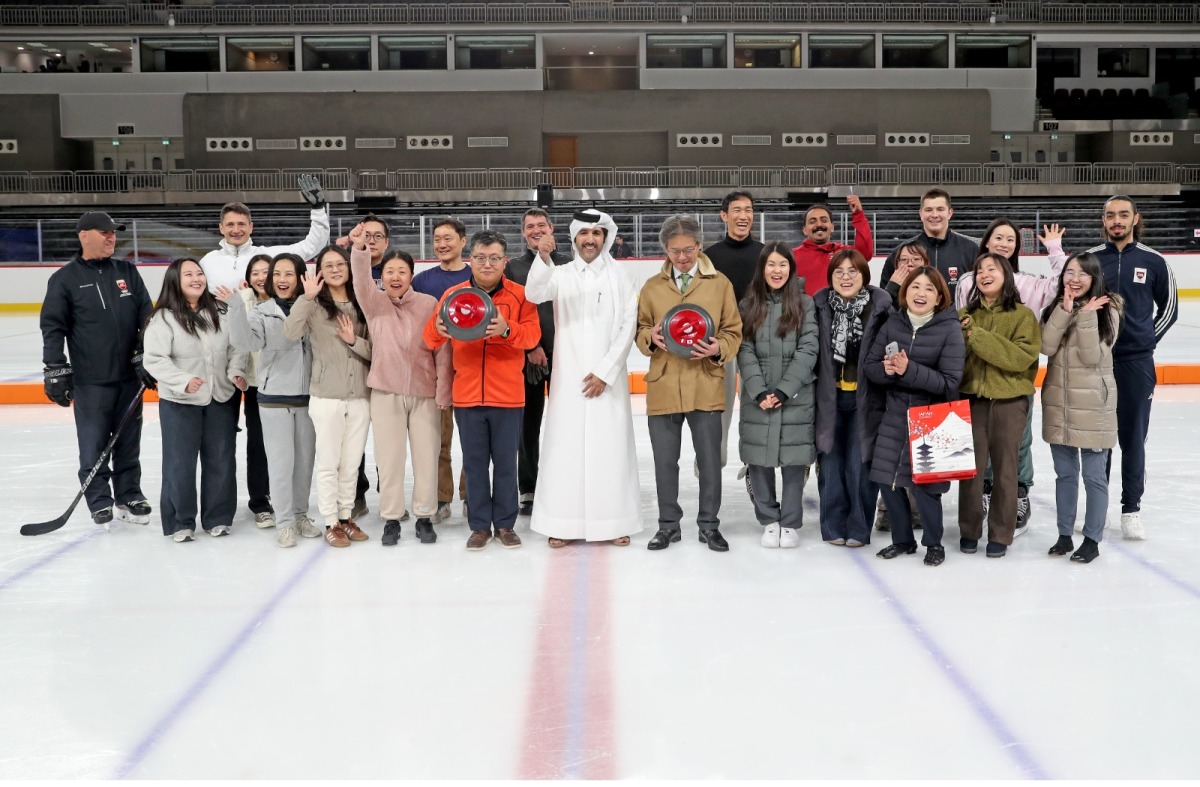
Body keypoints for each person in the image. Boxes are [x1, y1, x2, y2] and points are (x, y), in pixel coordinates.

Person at [524, 208, 642, 547]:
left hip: (608, 381)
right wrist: (542, 257)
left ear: (605, 237)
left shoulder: (621, 276)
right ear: (574, 238)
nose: (590, 240)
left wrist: (606, 372)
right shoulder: (560, 274)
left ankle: (614, 522)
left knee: (611, 450)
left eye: (596, 234)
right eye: (584, 234)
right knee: (565, 450)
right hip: (569, 380)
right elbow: (534, 293)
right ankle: (561, 523)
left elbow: (628, 326)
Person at [423, 230, 541, 550]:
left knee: (505, 465)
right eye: (480, 258)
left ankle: (504, 525)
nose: (487, 264)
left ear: (505, 261)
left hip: (509, 396)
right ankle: (478, 526)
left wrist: (506, 328)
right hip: (468, 395)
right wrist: (438, 329)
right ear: (470, 260)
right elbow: (429, 339)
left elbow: (532, 337)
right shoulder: (454, 295)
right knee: (474, 465)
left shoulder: (521, 295)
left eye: (494, 258)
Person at [40, 211, 155, 528]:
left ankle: (129, 494)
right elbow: (53, 327)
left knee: (128, 442)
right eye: (104, 232)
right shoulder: (64, 279)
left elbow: (147, 316)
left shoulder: (127, 272)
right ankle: (100, 500)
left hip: (130, 378)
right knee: (93, 444)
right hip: (91, 380)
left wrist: (144, 351)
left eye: (113, 232)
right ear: (84, 236)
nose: (111, 237)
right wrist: (55, 367)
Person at [637, 214, 743, 552]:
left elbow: (733, 331)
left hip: (705, 383)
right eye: (674, 251)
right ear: (665, 250)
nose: (682, 257)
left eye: (688, 250)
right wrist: (650, 338)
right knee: (664, 462)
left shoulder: (720, 284)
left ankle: (709, 525)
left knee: (710, 462)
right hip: (664, 385)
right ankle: (668, 526)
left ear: (699, 246)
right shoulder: (652, 287)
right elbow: (640, 330)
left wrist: (718, 348)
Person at [955, 220, 1069, 535]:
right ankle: (986, 492)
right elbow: (961, 322)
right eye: (998, 237)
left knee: (1016, 443)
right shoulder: (968, 281)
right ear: (986, 242)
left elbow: (1063, 283)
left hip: (1012, 378)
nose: (1004, 243)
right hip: (977, 378)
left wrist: (1055, 249)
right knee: (979, 445)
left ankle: (1018, 494)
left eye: (1010, 239)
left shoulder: (1028, 284)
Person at [349, 228, 451, 546]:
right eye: (390, 271)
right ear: (382, 277)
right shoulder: (374, 302)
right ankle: (391, 518)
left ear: (411, 275)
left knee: (426, 457)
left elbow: (443, 349)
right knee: (389, 460)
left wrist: (443, 390)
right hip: (386, 392)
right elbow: (360, 280)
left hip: (424, 393)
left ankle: (424, 516)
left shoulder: (428, 303)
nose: (395, 277)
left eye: (402, 271)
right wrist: (360, 250)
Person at [1088, 195, 1179, 539]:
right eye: (1111, 215)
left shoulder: (1154, 261)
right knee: (1099, 439)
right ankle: (1099, 509)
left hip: (1136, 363)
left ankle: (1131, 510)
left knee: (1133, 438)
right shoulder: (1091, 260)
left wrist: (1145, 339)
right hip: (1097, 362)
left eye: (1123, 215)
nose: (1117, 221)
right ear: (1103, 220)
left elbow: (1170, 309)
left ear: (1135, 219)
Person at [864, 266, 965, 567]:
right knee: (889, 480)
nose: (921, 293)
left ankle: (934, 543)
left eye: (929, 288)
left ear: (939, 297)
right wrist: (886, 370)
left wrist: (909, 370)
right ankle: (902, 540)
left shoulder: (949, 328)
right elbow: (870, 367)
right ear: (905, 292)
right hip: (894, 413)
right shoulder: (893, 323)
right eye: (915, 287)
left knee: (926, 487)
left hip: (931, 417)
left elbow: (950, 382)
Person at [142, 258, 247, 542]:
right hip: (180, 401)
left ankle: (218, 517)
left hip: (220, 396)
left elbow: (237, 347)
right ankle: (180, 521)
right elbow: (154, 359)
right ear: (175, 281)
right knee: (180, 463)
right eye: (188, 275)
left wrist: (236, 372)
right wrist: (182, 380)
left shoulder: (220, 311)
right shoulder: (163, 319)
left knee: (221, 459)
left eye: (199, 273)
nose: (196, 279)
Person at [221, 254, 321, 548]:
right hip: (274, 398)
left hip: (309, 398)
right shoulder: (262, 311)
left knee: (304, 464)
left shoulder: (313, 307)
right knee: (280, 464)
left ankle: (300, 515)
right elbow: (245, 343)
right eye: (277, 274)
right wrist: (236, 308)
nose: (281, 279)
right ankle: (285, 522)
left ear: (300, 277)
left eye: (289, 274)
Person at [283, 245, 372, 548]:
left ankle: (346, 517)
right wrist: (306, 298)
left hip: (360, 396)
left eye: (340, 264)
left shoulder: (363, 303)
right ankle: (331, 521)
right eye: (328, 265)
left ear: (349, 267)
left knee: (351, 463)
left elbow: (377, 351)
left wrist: (354, 341)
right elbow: (290, 332)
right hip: (327, 397)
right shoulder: (314, 305)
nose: (335, 269)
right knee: (329, 463)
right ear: (320, 270)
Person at [1040, 252, 1123, 564]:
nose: (1074, 279)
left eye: (1082, 274)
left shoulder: (1108, 309)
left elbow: (1092, 357)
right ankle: (1064, 535)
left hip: (1093, 407)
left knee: (1093, 476)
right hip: (1059, 404)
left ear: (1094, 278)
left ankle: (1091, 539)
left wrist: (1087, 316)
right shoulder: (1056, 306)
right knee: (1065, 474)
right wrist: (1063, 311)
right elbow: (1046, 347)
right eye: (1069, 272)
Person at [956, 253, 1041, 558]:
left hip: (1009, 401)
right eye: (979, 270)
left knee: (1006, 469)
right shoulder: (965, 314)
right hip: (973, 400)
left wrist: (977, 336)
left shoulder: (1023, 316)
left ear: (1006, 275)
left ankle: (1001, 534)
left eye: (991, 269)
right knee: (971, 470)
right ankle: (969, 530)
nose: (984, 274)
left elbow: (1019, 358)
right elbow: (955, 357)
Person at [737, 242, 818, 549]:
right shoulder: (748, 305)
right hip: (757, 395)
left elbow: (808, 349)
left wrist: (785, 389)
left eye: (782, 264)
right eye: (771, 264)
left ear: (791, 269)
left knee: (794, 461)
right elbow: (744, 349)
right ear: (762, 268)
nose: (776, 270)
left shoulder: (805, 304)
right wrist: (758, 390)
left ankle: (791, 522)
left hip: (795, 395)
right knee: (759, 459)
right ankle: (769, 519)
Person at [814, 249, 892, 548]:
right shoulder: (820, 307)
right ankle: (833, 525)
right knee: (831, 463)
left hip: (866, 400)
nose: (845, 277)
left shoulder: (880, 308)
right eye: (839, 272)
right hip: (829, 398)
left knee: (860, 465)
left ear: (864, 276)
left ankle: (859, 528)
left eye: (852, 271)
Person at [504, 208, 570, 516]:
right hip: (528, 356)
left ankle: (561, 483)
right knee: (528, 426)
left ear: (551, 228)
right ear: (523, 232)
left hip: (566, 356)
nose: (536, 230)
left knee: (565, 422)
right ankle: (528, 488)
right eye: (529, 226)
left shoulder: (570, 265)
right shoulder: (513, 268)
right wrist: (531, 346)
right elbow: (511, 311)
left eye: (541, 225)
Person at [411, 217, 473, 523]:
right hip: (436, 374)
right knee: (440, 441)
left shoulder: (477, 275)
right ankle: (441, 497)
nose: (442, 244)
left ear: (463, 241)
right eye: (437, 239)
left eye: (448, 238)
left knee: (473, 442)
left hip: (471, 370)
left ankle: (471, 495)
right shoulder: (422, 281)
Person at [703, 190, 764, 478]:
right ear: (724, 215)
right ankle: (711, 467)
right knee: (720, 407)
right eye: (737, 210)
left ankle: (755, 465)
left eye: (748, 210)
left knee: (757, 405)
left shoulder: (765, 254)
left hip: (758, 340)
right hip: (722, 342)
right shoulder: (709, 257)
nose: (744, 215)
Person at [198, 175, 330, 291]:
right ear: (221, 228)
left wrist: (318, 210)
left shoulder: (268, 257)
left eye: (241, 224)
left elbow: (310, 247)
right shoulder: (208, 261)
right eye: (230, 225)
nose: (236, 230)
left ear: (251, 227)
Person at [879, 188, 978, 301]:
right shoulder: (901, 253)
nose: (934, 215)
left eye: (940, 209)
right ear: (921, 214)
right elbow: (884, 300)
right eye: (928, 210)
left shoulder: (970, 250)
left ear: (950, 213)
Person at [237, 253, 276, 529]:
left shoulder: (287, 301)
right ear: (248, 279)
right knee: (258, 445)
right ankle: (260, 502)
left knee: (288, 446)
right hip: (256, 386)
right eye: (256, 273)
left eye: (266, 271)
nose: (261, 277)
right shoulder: (243, 303)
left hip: (287, 384)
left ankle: (285, 497)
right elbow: (238, 340)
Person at [791, 195, 875, 298]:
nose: (819, 224)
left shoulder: (843, 253)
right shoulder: (792, 256)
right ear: (805, 230)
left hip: (841, 308)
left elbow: (865, 254)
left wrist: (858, 214)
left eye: (824, 220)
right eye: (812, 221)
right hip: (806, 308)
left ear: (832, 227)